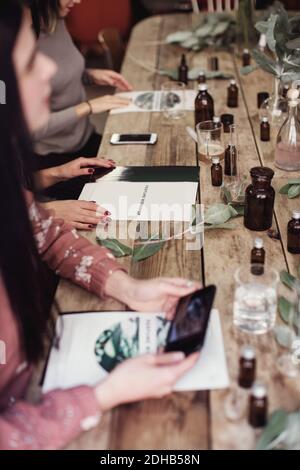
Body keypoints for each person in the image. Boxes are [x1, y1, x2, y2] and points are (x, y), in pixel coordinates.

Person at [0, 1, 200, 450]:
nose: (51, 68)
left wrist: (126, 287)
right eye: (32, 61)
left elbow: (46, 234)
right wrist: (103, 395)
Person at [27, 0, 133, 227]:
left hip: (85, 141)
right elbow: (30, 129)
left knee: (134, 169)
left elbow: (61, 74)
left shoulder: (56, 21)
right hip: (54, 157)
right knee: (121, 212)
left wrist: (89, 75)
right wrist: (89, 106)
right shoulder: (19, 40)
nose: (77, 0)